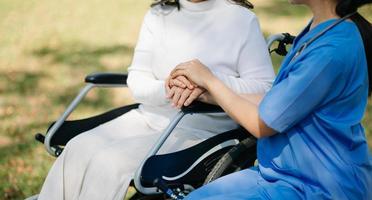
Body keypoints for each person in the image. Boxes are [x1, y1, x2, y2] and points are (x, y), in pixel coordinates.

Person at [37, 0, 275, 199]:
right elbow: (137, 79)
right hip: (149, 116)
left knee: (108, 162)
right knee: (79, 146)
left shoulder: (240, 19)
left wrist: (208, 82)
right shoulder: (159, 14)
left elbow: (264, 88)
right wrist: (170, 87)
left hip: (202, 129)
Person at [169, 0, 372, 199]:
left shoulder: (331, 50)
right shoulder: (320, 29)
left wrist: (210, 80)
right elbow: (279, 101)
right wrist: (206, 94)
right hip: (282, 174)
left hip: (319, 186)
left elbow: (262, 124)